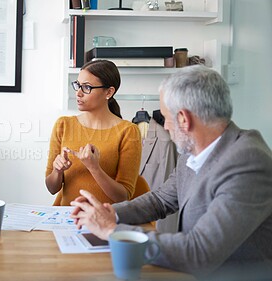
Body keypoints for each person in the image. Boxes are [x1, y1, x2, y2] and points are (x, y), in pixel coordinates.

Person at [70, 65, 272, 280]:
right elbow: (160, 200)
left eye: (165, 117)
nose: (165, 126)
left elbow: (199, 252)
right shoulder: (193, 150)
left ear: (184, 119)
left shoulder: (248, 164)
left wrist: (112, 231)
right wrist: (110, 212)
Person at [45, 60, 145, 206]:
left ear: (109, 92)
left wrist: (94, 168)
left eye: (86, 87)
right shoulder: (63, 125)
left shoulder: (128, 131)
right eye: (78, 85)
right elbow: (51, 188)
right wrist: (57, 171)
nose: (78, 93)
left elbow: (123, 196)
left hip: (103, 220)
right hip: (66, 217)